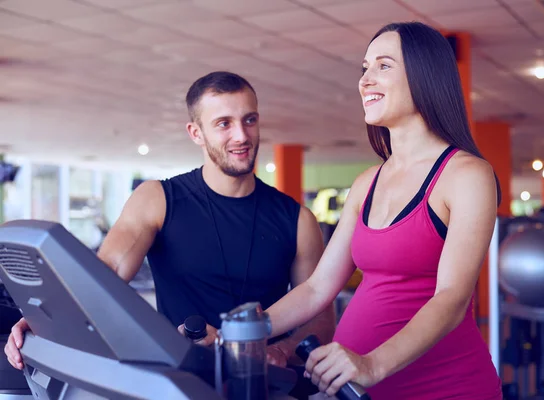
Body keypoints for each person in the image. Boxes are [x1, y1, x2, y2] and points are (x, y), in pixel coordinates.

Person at [4, 71, 336, 376]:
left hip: (259, 382)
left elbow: (320, 314)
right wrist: (45, 319)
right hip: (176, 379)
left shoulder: (297, 219)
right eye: (224, 123)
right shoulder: (159, 199)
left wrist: (281, 350)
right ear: (196, 133)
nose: (242, 135)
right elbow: (104, 276)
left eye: (249, 120)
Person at [264, 22, 503, 399]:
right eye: (365, 68)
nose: (365, 80)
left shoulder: (466, 175)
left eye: (383, 66)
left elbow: (452, 298)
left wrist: (372, 363)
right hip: (361, 389)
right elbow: (317, 288)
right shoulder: (366, 183)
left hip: (444, 387)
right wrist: (246, 329)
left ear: (425, 76)